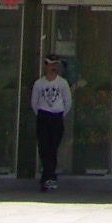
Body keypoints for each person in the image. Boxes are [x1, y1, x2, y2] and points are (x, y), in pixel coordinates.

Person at [30, 54, 72, 191]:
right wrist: (42, 113)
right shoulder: (39, 84)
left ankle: (48, 176)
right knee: (44, 147)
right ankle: (48, 176)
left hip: (57, 116)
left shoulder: (62, 83)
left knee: (53, 146)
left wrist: (60, 113)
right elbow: (34, 102)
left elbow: (68, 101)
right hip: (43, 116)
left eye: (55, 65)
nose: (53, 67)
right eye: (50, 64)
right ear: (45, 65)